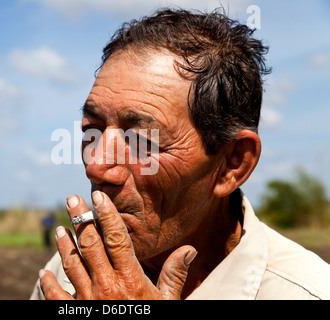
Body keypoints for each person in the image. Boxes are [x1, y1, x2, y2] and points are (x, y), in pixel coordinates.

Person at [31, 8, 330, 300]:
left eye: (141, 140)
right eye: (91, 131)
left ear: (232, 163)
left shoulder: (306, 292)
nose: (96, 167)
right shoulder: (68, 274)